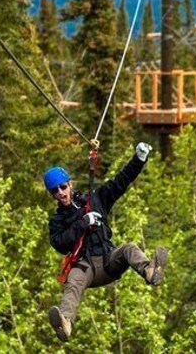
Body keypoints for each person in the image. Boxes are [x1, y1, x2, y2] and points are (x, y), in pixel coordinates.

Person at [44, 142, 167, 343]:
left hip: (109, 261)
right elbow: (60, 244)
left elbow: (121, 181)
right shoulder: (57, 220)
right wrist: (83, 223)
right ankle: (65, 323)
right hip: (86, 268)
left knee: (128, 248)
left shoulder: (95, 200)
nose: (60, 193)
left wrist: (139, 159)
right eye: (55, 191)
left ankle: (151, 272)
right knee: (72, 281)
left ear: (70, 183)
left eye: (63, 187)